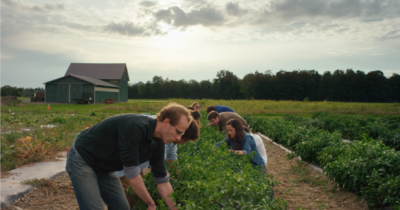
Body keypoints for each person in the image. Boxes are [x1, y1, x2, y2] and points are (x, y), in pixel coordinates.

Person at [66, 103, 193, 210]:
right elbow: (132, 174)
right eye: (178, 132)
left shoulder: (158, 143)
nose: (179, 138)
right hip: (83, 159)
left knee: (122, 207)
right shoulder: (135, 127)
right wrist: (151, 204)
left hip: (104, 167)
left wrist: (175, 208)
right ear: (166, 122)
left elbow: (163, 181)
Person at [118, 113, 200, 209]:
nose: (182, 143)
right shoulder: (162, 134)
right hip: (123, 166)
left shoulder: (172, 140)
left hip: (137, 165)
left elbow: (172, 158)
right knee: (125, 199)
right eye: (185, 140)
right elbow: (154, 163)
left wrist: (179, 178)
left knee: (137, 195)